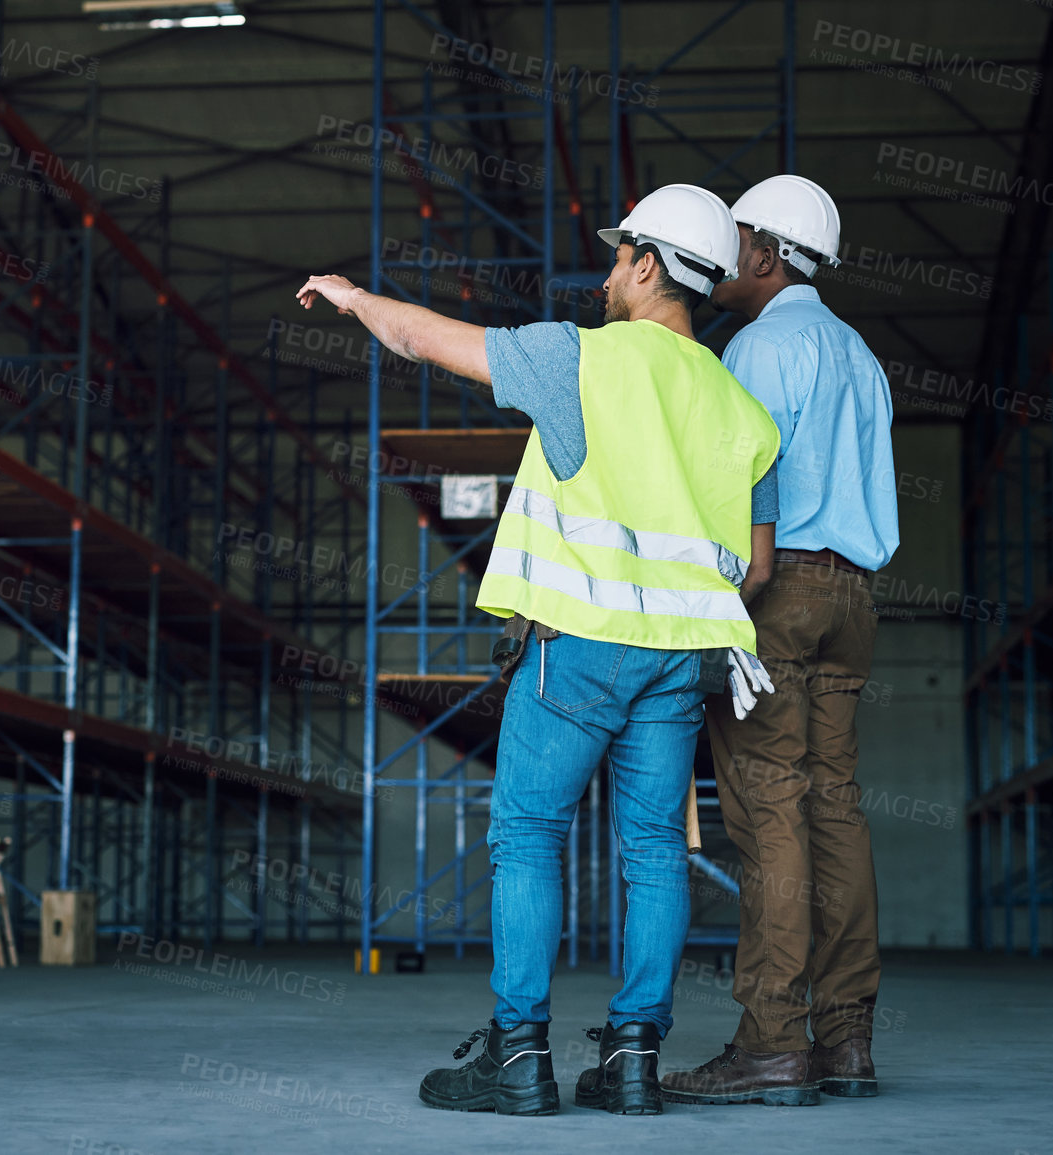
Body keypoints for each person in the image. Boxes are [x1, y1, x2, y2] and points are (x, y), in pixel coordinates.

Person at [296, 183, 781, 1118]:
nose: (605, 276)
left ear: (645, 264)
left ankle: (519, 1055)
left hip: (578, 652)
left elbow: (427, 338)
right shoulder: (742, 413)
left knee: (527, 835)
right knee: (652, 851)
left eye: (614, 258)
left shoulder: (580, 360)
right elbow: (754, 567)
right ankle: (635, 1057)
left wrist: (356, 300)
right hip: (681, 659)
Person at [660, 174, 899, 1108]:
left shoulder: (756, 348)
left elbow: (738, 496)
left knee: (770, 815)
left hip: (776, 592)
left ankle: (767, 1041)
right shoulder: (860, 354)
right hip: (853, 599)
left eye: (734, 242)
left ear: (764, 254)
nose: (720, 259)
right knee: (834, 809)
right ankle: (845, 1040)